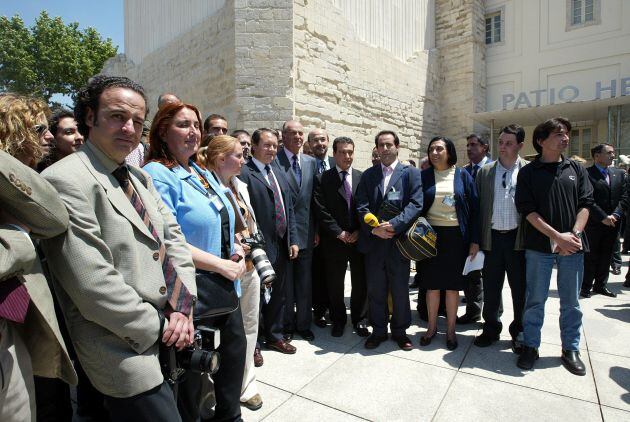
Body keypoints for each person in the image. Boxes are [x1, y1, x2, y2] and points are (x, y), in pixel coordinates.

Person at [41, 76, 197, 421]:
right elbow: (92, 283)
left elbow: (174, 242)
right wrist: (162, 328)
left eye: (138, 122)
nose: (129, 128)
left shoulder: (139, 178)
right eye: (117, 116)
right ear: (90, 117)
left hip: (171, 335)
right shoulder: (65, 180)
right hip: (122, 350)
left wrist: (183, 308)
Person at [143, 104, 246, 421]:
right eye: (183, 124)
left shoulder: (200, 172)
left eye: (196, 125)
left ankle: (229, 415)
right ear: (163, 131)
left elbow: (231, 219)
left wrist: (239, 249)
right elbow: (167, 239)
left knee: (233, 354)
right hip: (192, 288)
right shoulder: (157, 174)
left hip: (227, 283)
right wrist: (220, 264)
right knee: (193, 369)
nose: (193, 132)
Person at [0, 95, 77, 422]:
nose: (49, 136)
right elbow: (53, 220)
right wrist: (19, 239)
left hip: (30, 319)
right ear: (13, 132)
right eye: (39, 128)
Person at [514, 117, 594, 375]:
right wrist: (555, 237)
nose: (566, 137)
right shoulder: (528, 172)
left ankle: (570, 348)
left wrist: (573, 235)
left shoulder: (576, 169)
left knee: (571, 302)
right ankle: (531, 346)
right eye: (559, 133)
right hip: (539, 247)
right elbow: (527, 210)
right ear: (541, 140)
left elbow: (586, 204)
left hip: (572, 246)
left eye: (567, 133)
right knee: (535, 300)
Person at [206, 134, 264, 412]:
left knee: (250, 328)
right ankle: (215, 389)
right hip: (223, 272)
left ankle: (246, 383)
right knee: (223, 336)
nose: (243, 160)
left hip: (250, 268)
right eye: (238, 155)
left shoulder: (240, 185)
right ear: (220, 159)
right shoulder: (204, 187)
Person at [355, 130, 423, 351]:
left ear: (397, 147)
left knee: (400, 288)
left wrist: (394, 225)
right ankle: (378, 331)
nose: (385, 149)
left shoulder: (410, 173)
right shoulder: (368, 175)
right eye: (381, 145)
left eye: (389, 145)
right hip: (375, 244)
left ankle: (400, 331)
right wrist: (374, 229)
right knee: (376, 289)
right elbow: (361, 205)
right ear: (376, 148)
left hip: (398, 242)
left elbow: (415, 203)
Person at [238, 128, 299, 354]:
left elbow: (289, 208)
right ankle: (252, 346)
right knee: (254, 297)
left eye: (275, 145)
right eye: (267, 145)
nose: (272, 149)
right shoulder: (244, 172)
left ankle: (275, 336)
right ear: (253, 146)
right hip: (258, 248)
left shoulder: (278, 171)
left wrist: (292, 239)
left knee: (278, 295)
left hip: (282, 244)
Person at [417, 136, 479, 350]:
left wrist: (474, 241)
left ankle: (451, 330)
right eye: (431, 149)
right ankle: (432, 327)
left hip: (456, 237)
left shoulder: (463, 175)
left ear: (449, 152)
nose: (434, 153)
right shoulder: (423, 176)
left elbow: (475, 210)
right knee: (432, 286)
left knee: (452, 288)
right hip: (430, 237)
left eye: (439, 149)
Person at [473, 125, 528, 352]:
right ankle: (491, 328)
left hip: (519, 241)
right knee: (492, 288)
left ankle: (519, 331)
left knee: (520, 290)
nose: (503, 147)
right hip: (493, 240)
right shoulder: (485, 172)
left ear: (520, 146)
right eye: (501, 142)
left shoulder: (528, 171)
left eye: (509, 143)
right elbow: (477, 209)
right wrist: (476, 240)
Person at [313, 136, 369, 337]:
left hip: (358, 239)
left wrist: (360, 231)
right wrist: (339, 232)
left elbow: (368, 208)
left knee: (360, 282)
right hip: (334, 241)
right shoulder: (322, 179)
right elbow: (321, 210)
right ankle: (338, 320)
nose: (347, 156)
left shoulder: (362, 177)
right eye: (343, 152)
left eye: (350, 152)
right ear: (334, 153)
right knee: (335, 284)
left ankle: (360, 320)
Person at [277, 120, 318, 341]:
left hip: (307, 232)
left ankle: (304, 323)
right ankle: (287, 325)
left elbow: (314, 200)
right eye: (292, 133)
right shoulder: (274, 160)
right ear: (283, 136)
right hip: (283, 234)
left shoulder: (311, 162)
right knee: (286, 285)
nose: (298, 137)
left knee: (304, 283)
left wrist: (317, 230)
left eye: (301, 133)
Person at [581, 143, 629, 298]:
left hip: (613, 223)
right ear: (597, 156)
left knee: (606, 255)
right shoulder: (586, 174)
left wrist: (616, 214)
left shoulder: (619, 174)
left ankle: (600, 285)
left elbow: (624, 197)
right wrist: (603, 217)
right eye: (609, 153)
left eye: (613, 152)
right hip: (594, 223)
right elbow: (587, 199)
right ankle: (585, 286)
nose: (613, 155)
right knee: (590, 256)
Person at [458, 134, 492, 324]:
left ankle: (493, 316)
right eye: (467, 145)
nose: (469, 148)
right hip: (469, 231)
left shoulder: (494, 169)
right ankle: (473, 311)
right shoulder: (464, 171)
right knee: (471, 274)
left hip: (490, 231)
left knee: (491, 277)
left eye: (473, 145)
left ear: (485, 147)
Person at [307, 128, 335, 328]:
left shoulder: (336, 163)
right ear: (309, 143)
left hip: (336, 229)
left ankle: (335, 307)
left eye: (323, 140)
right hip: (314, 229)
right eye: (315, 140)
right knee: (317, 272)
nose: (320, 144)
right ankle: (319, 310)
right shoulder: (305, 165)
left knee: (334, 272)